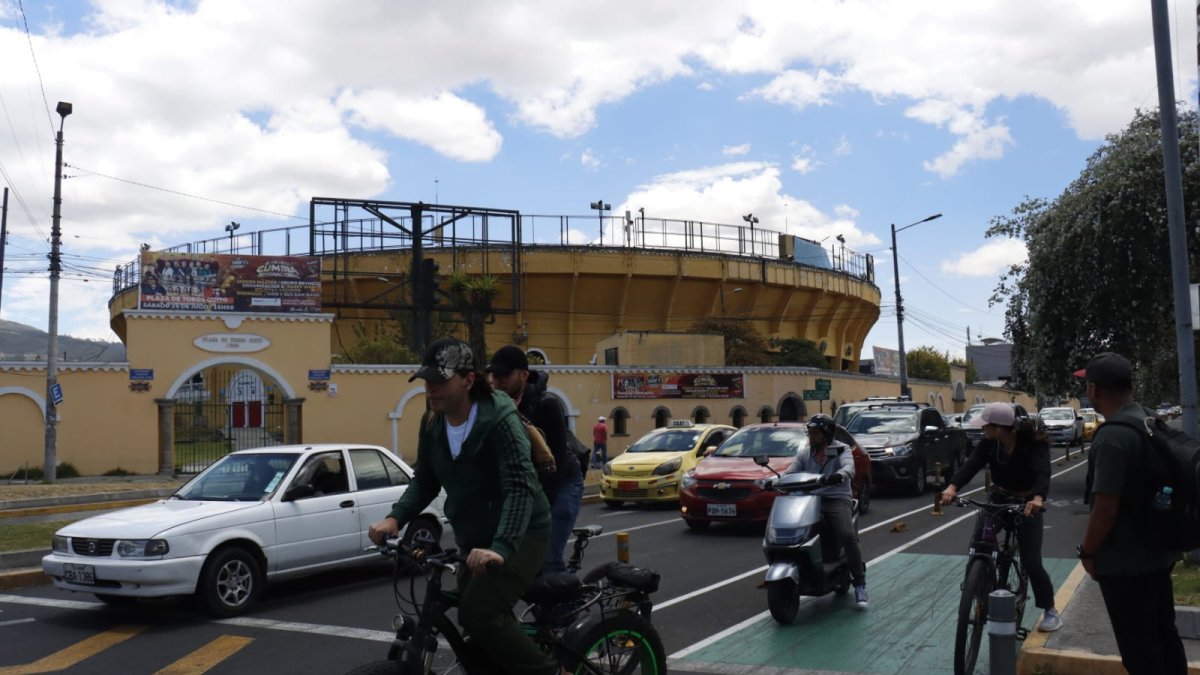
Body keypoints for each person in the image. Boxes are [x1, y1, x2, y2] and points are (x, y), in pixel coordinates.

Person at [368, 338, 562, 675]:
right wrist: (395, 518)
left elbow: (520, 488)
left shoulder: (499, 420)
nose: (431, 389)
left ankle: (551, 672)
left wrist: (500, 548)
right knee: (472, 624)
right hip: (474, 536)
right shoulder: (433, 423)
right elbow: (425, 479)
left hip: (521, 534)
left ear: (468, 380)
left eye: (440, 381)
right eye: (427, 381)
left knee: (481, 613)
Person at [1076, 352, 1187, 674]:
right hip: (1159, 550)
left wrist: (1088, 551)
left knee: (1140, 653)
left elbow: (1105, 509)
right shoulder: (1150, 419)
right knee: (1165, 636)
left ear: (1094, 390)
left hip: (1125, 563)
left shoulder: (1113, 437)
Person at [939, 401, 1061, 632]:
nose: (982, 430)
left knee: (1032, 561)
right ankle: (975, 589)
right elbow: (971, 465)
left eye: (985, 426)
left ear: (999, 427)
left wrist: (1037, 499)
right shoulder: (988, 444)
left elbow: (1043, 472)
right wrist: (953, 487)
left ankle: (1050, 610)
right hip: (1000, 497)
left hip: (1027, 503)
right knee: (979, 542)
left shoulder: (1032, 444)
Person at [487, 344, 583, 576]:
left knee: (547, 558)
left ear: (524, 375)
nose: (498, 381)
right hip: (531, 484)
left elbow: (556, 461)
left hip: (562, 483)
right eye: (494, 375)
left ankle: (566, 611)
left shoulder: (545, 404)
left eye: (505, 376)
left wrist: (541, 510)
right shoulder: (494, 406)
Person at [785, 414, 868, 608]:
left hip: (836, 498)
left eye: (815, 433)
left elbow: (849, 467)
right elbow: (792, 471)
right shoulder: (805, 453)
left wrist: (839, 475)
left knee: (847, 535)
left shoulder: (841, 449)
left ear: (827, 434)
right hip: (809, 500)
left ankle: (860, 584)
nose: (811, 436)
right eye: (810, 433)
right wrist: (776, 480)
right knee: (792, 533)